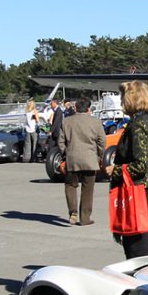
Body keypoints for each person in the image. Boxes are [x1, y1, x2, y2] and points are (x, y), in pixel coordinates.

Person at [107, 81, 148, 256]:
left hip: (141, 189)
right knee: (132, 244)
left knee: (136, 247)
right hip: (141, 188)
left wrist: (114, 170)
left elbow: (142, 165)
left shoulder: (139, 125)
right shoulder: (141, 121)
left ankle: (145, 279)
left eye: (123, 97)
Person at [58, 97, 106, 226]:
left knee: (70, 185)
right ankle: (85, 218)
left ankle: (72, 211)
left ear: (76, 108)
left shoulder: (66, 121)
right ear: (89, 109)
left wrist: (65, 154)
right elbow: (102, 141)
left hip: (72, 159)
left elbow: (61, 141)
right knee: (88, 188)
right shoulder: (96, 122)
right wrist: (99, 155)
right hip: (90, 159)